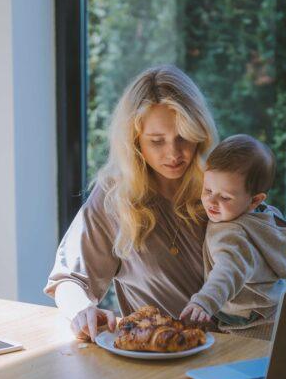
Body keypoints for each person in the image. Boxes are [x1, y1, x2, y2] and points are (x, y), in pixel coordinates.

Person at [45, 65, 217, 340]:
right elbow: (69, 279)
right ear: (134, 142)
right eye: (157, 141)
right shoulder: (116, 197)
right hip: (160, 354)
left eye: (183, 137)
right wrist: (82, 310)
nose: (174, 153)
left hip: (234, 349)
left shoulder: (219, 187)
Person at [179, 135, 286, 340]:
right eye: (208, 190)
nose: (212, 201)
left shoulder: (230, 233)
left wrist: (204, 301)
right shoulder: (266, 218)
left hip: (249, 326)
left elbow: (228, 270)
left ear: (255, 200)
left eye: (225, 197)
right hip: (274, 311)